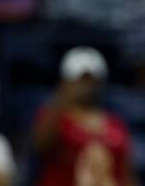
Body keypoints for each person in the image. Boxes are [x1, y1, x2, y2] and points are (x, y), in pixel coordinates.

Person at [32, 46, 137, 186]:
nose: (86, 86)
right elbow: (40, 147)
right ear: (66, 81)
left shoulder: (116, 125)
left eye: (91, 80)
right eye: (80, 79)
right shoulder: (54, 117)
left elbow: (127, 174)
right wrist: (62, 96)